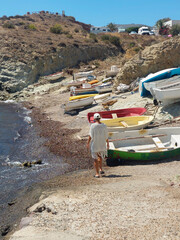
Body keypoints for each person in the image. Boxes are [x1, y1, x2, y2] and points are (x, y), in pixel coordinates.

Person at [87, 113, 109, 178]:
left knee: (95, 159)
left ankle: (97, 173)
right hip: (102, 143)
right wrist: (107, 143)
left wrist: (88, 143)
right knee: (100, 156)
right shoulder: (104, 125)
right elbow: (106, 135)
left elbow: (90, 136)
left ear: (94, 118)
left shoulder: (93, 126)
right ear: (100, 118)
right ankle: (101, 169)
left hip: (95, 144)